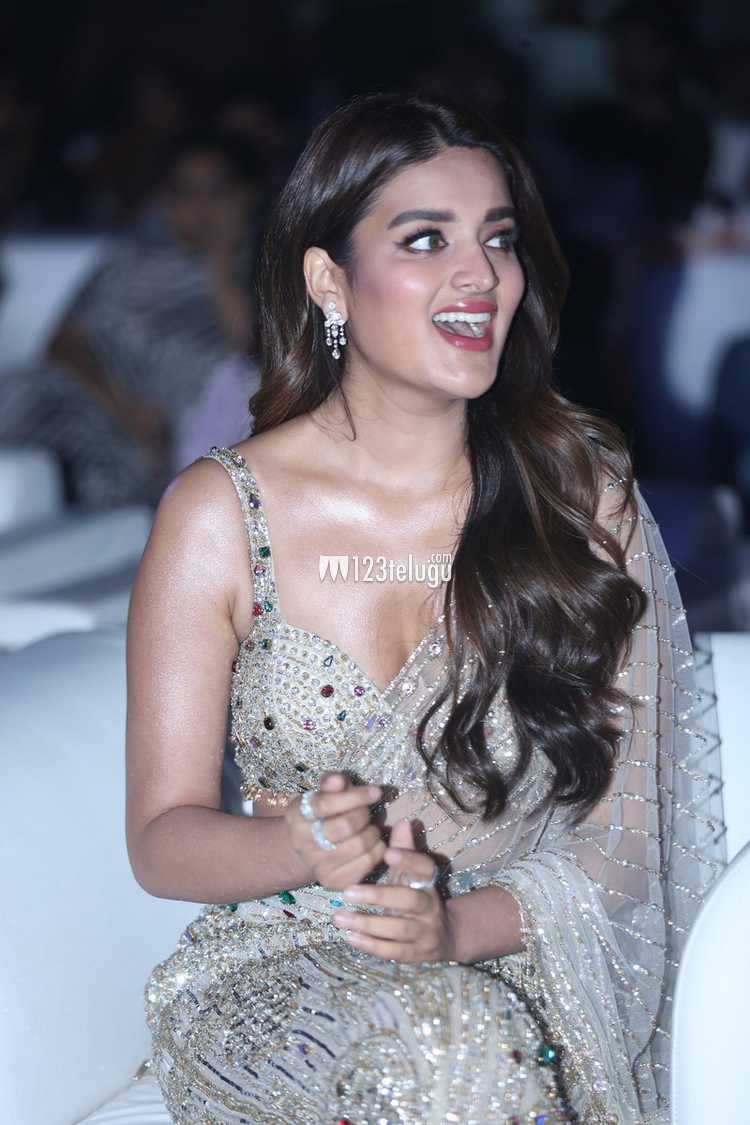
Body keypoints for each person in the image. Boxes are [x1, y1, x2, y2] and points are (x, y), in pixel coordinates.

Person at [126, 92, 725, 1124]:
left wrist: (456, 930)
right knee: (458, 1050)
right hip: (286, 973)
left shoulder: (579, 499)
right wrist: (300, 846)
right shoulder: (222, 513)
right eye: (425, 239)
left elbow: (627, 847)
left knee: (471, 1040)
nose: (480, 274)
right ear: (330, 280)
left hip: (515, 960)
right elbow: (161, 839)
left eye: (498, 238)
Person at [0, 129, 260, 509]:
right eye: (184, 192)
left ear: (243, 195)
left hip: (187, 431)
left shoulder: (264, 269)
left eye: (215, 190)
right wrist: (125, 410)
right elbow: (63, 343)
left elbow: (251, 359)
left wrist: (218, 269)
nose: (199, 206)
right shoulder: (131, 261)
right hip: (98, 401)